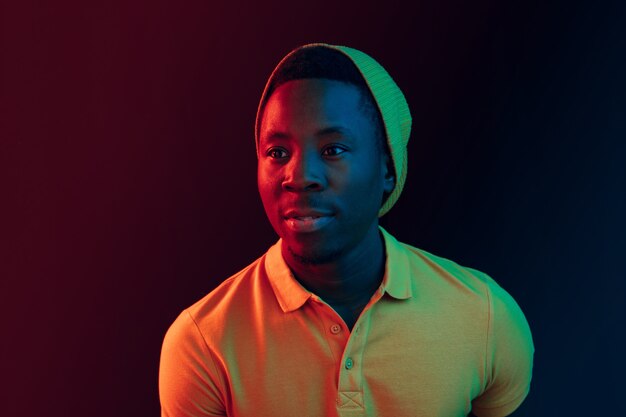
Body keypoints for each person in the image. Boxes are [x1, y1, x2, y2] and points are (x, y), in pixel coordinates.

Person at [159, 43, 534, 417]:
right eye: (277, 152)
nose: (300, 177)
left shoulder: (485, 317)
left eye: (332, 150)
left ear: (388, 169)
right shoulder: (203, 342)